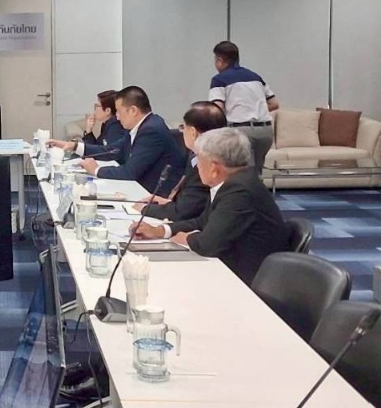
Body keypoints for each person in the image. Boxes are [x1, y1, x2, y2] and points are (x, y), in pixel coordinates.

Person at [133, 127, 288, 286]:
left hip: (246, 279)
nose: (197, 167)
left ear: (214, 168)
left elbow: (208, 245)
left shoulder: (240, 191)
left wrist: (186, 238)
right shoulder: (235, 182)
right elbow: (202, 221)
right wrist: (161, 231)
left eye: (199, 159)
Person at [49, 86, 184, 194]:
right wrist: (74, 146)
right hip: (140, 187)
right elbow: (111, 150)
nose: (117, 117)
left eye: (119, 111)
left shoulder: (151, 130)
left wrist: (96, 170)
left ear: (133, 111)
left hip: (154, 195)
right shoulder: (141, 126)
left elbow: (130, 172)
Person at [134, 101, 226, 222]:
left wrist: (146, 209)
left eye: (183, 127)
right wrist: (168, 203)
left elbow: (184, 212)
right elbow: (191, 204)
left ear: (193, 133)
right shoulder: (197, 157)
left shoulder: (208, 165)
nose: (182, 132)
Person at [209, 41, 278, 175]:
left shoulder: (219, 80)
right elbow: (274, 103)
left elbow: (217, 109)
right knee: (257, 173)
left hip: (241, 131)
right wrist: (253, 109)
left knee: (243, 173)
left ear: (220, 60)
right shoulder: (255, 77)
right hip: (266, 132)